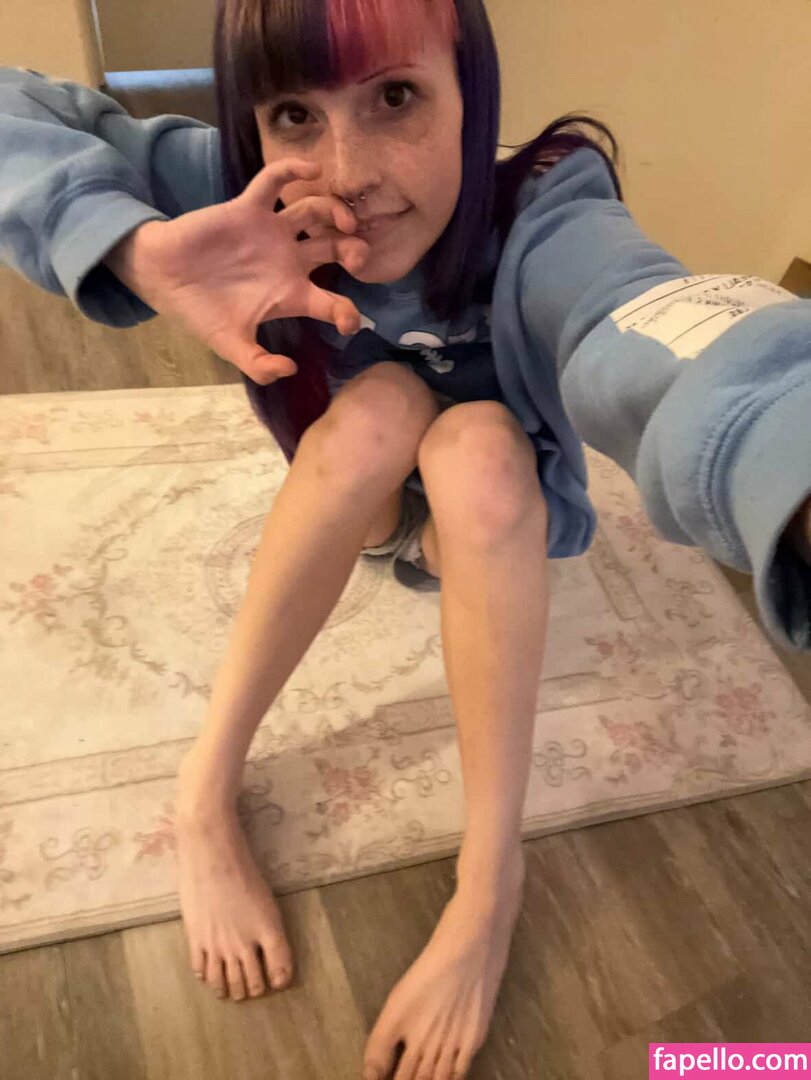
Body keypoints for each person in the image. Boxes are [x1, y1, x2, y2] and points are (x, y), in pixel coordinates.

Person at [1, 0, 809, 1076]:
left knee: (476, 441)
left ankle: (490, 878)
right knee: (382, 406)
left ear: (471, 95)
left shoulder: (543, 209)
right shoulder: (241, 187)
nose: (346, 175)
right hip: (362, 489)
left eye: (394, 97)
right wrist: (132, 247)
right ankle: (203, 787)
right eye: (295, 113)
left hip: (481, 518)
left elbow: (653, 317)